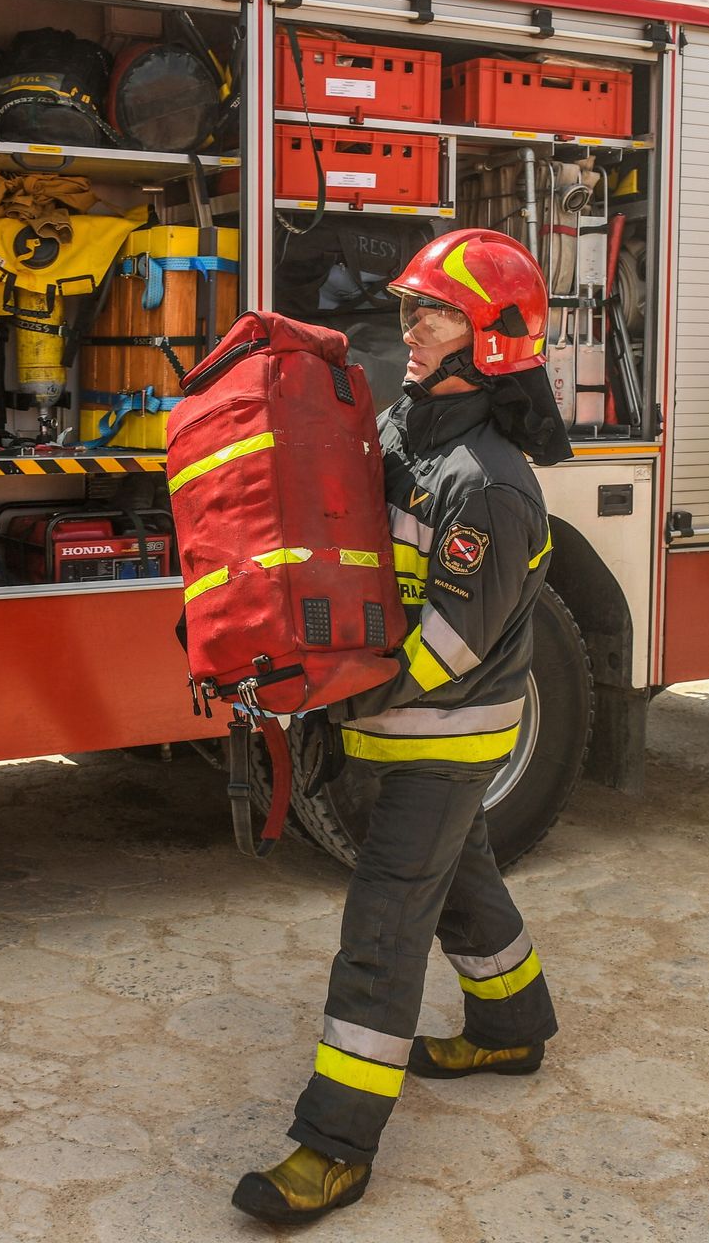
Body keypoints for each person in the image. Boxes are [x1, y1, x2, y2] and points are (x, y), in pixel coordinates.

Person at [232, 229, 571, 1224]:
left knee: (383, 927)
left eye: (434, 312)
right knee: (459, 880)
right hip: (398, 727)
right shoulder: (407, 432)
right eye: (411, 308)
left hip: (444, 736)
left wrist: (338, 695)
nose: (408, 327)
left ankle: (333, 1144)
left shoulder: (489, 483)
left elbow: (456, 644)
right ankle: (513, 1020)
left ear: (495, 339)